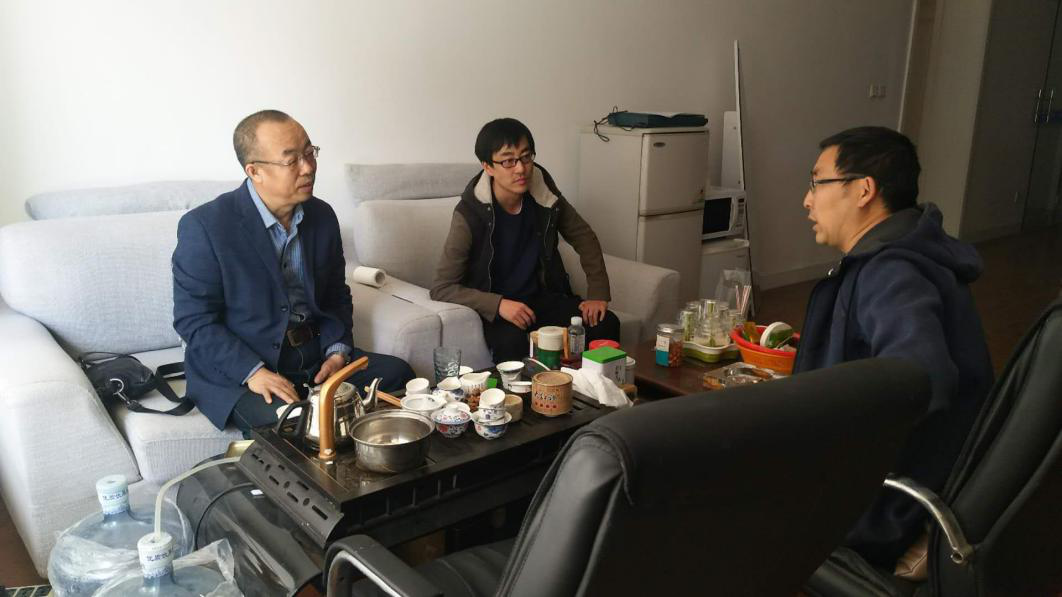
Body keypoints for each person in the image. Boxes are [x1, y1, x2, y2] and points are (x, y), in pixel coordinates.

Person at [795, 126, 994, 567]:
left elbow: (922, 378)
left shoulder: (891, 272)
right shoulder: (902, 256)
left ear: (863, 190)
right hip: (906, 488)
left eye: (817, 182)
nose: (807, 200)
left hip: (883, 506)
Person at [173, 109, 414, 435]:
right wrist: (253, 372)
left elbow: (336, 295)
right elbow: (194, 321)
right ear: (254, 171)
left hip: (313, 356)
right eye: (292, 160)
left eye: (310, 153)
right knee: (293, 425)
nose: (308, 167)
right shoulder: (206, 226)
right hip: (246, 367)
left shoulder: (322, 216)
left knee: (400, 375)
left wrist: (337, 352)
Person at [430, 117, 620, 363]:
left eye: (526, 157)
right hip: (499, 309)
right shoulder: (470, 213)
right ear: (488, 167)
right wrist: (498, 304)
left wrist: (598, 293)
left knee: (606, 323)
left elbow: (584, 236)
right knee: (512, 344)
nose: (520, 168)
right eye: (508, 161)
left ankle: (594, 386)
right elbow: (442, 287)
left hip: (543, 299)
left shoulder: (543, 193)